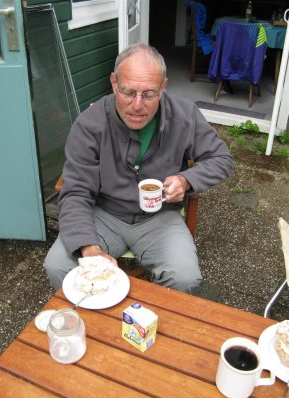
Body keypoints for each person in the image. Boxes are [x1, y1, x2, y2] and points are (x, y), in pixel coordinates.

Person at [44, 43, 233, 293]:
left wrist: (187, 180)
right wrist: (90, 248)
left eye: (149, 94)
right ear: (114, 83)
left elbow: (221, 158)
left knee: (184, 277)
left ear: (163, 87)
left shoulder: (184, 115)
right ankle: (96, 323)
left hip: (159, 217)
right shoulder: (90, 124)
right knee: (58, 265)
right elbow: (76, 192)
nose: (137, 105)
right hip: (104, 214)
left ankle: (153, 324)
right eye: (128, 92)